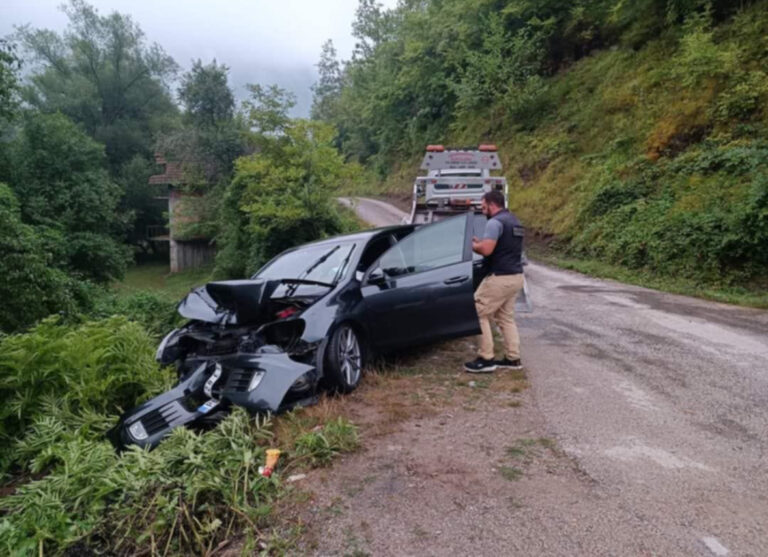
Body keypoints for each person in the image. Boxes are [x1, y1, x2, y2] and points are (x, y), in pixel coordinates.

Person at [464, 190, 525, 373]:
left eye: (483, 207)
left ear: (492, 204)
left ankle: (486, 358)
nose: (483, 211)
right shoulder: (514, 221)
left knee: (476, 312)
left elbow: (487, 250)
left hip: (500, 277)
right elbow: (503, 246)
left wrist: (472, 245)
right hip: (516, 276)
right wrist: (480, 242)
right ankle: (513, 359)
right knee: (505, 317)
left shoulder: (494, 222)